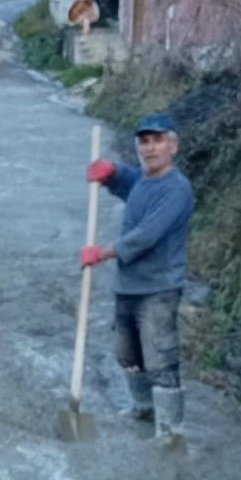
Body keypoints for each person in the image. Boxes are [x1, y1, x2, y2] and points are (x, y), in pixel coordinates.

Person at [81, 112, 195, 442]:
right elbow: (129, 181)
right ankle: (143, 408)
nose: (150, 148)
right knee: (127, 354)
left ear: (172, 146)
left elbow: (146, 235)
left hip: (159, 288)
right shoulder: (143, 180)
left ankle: (171, 432)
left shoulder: (177, 189)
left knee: (159, 359)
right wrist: (111, 173)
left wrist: (101, 253)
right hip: (128, 284)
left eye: (157, 140)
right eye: (144, 142)